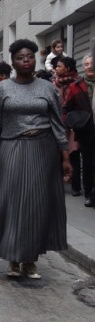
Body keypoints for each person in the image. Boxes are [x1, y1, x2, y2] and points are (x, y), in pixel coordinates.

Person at [0, 39, 72, 279]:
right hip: (12, 148)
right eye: (20, 57)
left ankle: (30, 260)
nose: (26, 61)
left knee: (37, 204)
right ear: (13, 62)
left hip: (43, 149)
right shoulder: (1, 90)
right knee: (13, 201)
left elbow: (58, 125)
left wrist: (65, 157)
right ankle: (13, 258)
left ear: (35, 59)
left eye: (29, 57)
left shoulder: (48, 89)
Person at [63, 54, 95, 207]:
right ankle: (89, 195)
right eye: (86, 64)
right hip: (86, 131)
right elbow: (67, 108)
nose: (89, 66)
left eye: (92, 63)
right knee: (88, 164)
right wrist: (70, 123)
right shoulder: (76, 85)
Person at [53, 57, 82, 197]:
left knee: (74, 154)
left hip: (74, 124)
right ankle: (58, 186)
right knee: (58, 155)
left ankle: (76, 187)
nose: (56, 68)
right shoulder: (54, 84)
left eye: (59, 66)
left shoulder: (78, 82)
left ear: (68, 69)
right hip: (59, 125)